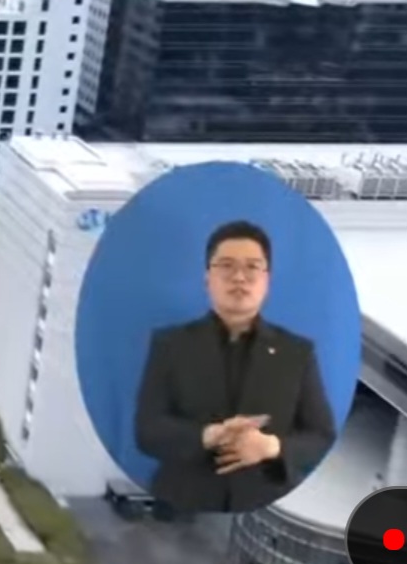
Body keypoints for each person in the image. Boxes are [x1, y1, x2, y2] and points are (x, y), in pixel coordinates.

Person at [133, 219, 337, 514]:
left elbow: (321, 435)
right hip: (180, 507)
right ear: (207, 278)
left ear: (267, 280)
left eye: (252, 267)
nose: (239, 277)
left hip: (266, 507)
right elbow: (146, 431)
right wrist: (208, 436)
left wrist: (271, 447)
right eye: (226, 265)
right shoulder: (170, 344)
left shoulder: (297, 353)